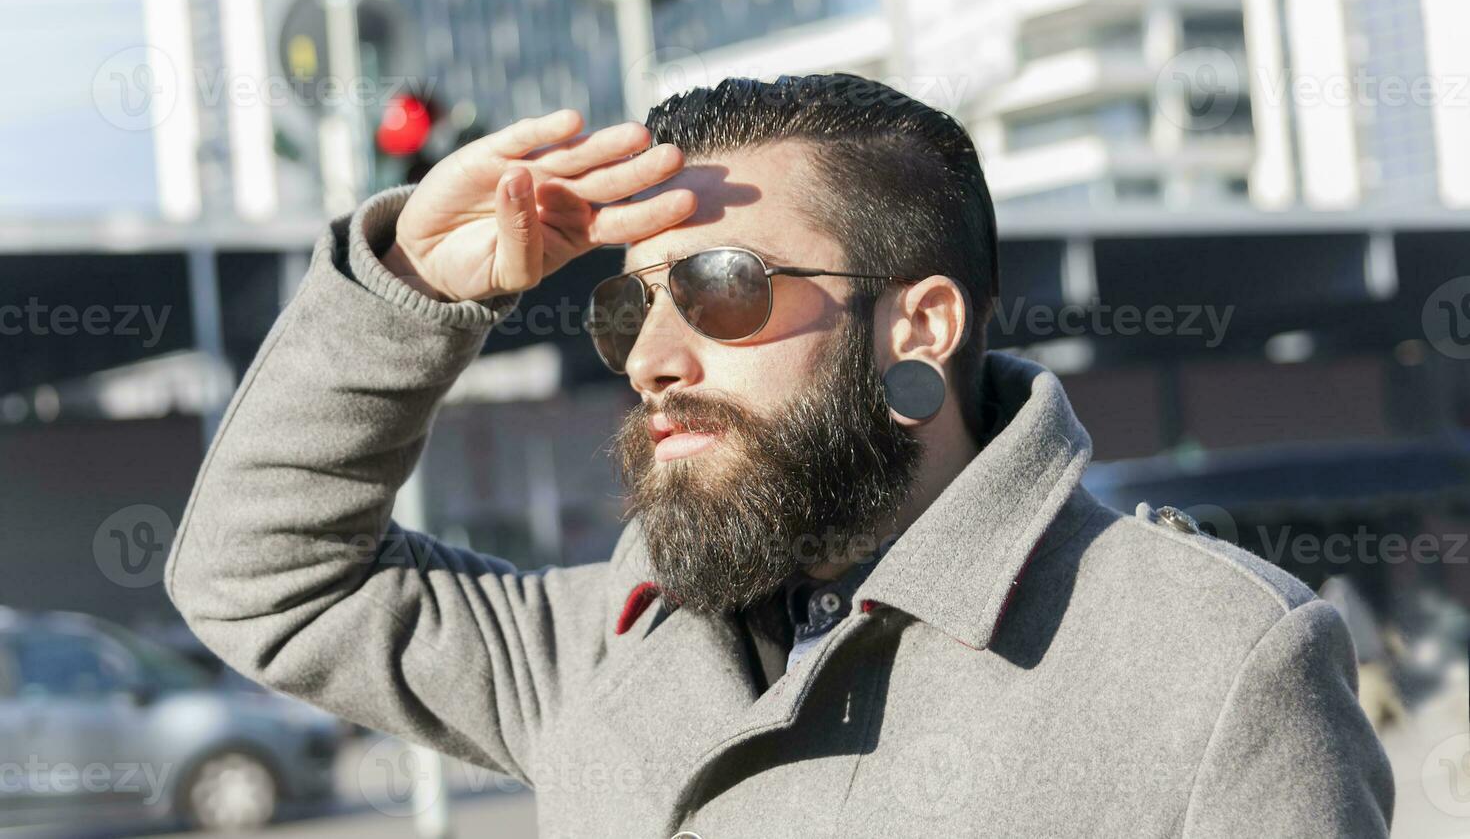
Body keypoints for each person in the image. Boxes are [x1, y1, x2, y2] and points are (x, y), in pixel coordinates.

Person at [166, 75, 1393, 837]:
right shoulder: (603, 647)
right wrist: (414, 286)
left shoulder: (1208, 661)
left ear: (917, 325)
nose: (651, 353)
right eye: (630, 304)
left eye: (719, 287)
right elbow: (262, 577)